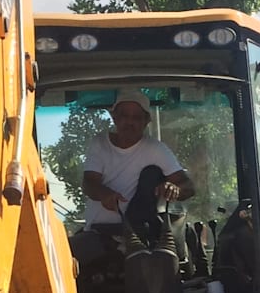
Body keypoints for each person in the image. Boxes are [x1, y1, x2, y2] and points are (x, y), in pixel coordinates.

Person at [71, 89, 196, 267]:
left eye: (137, 117)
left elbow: (188, 186)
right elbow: (89, 182)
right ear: (114, 117)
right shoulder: (99, 144)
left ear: (146, 122)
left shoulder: (156, 149)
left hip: (144, 239)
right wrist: (104, 194)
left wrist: (174, 189)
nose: (129, 122)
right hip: (99, 235)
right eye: (123, 115)